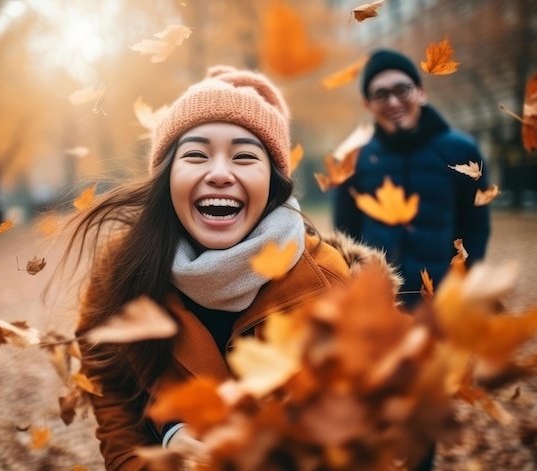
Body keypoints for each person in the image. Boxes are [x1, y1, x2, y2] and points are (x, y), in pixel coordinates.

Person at [59, 65, 399, 470]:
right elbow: (109, 377)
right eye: (196, 155)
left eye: (244, 157)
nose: (219, 173)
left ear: (273, 183)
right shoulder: (125, 267)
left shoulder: (329, 285)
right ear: (167, 178)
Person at [333, 48, 491, 309]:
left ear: (421, 92)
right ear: (368, 104)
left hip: (442, 302)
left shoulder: (462, 152)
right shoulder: (354, 159)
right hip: (378, 304)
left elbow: (475, 228)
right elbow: (346, 234)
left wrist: (462, 286)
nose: (393, 102)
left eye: (402, 89)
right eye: (381, 94)